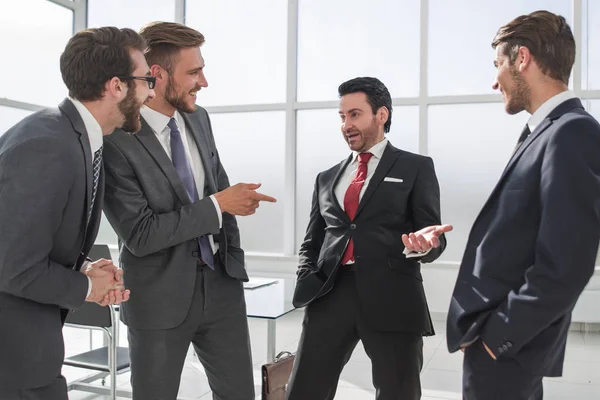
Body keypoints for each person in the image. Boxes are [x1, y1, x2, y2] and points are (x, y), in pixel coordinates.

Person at [101, 21, 276, 400]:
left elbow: (219, 187)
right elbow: (141, 234)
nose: (204, 82)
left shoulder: (199, 118)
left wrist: (232, 251)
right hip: (158, 299)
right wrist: (218, 205)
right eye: (194, 72)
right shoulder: (115, 139)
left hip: (222, 288)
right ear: (158, 75)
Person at [445, 10, 600, 400]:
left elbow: (566, 265)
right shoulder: (547, 131)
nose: (494, 79)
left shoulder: (572, 133)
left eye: (497, 63)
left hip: (508, 350)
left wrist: (497, 338)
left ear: (522, 59)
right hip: (504, 346)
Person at [0, 27, 154, 400]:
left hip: (29, 352)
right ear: (116, 86)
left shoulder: (74, 137)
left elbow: (24, 241)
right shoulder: (47, 145)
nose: (151, 91)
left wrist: (82, 268)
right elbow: (13, 266)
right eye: (147, 79)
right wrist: (88, 287)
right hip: (14, 358)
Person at [287, 77, 451, 400]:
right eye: (342, 116)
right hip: (330, 295)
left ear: (382, 115)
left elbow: (431, 232)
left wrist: (426, 245)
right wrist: (307, 274)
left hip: (393, 296)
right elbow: (312, 241)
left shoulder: (416, 167)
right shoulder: (326, 178)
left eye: (355, 114)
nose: (347, 124)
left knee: (398, 394)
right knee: (303, 392)